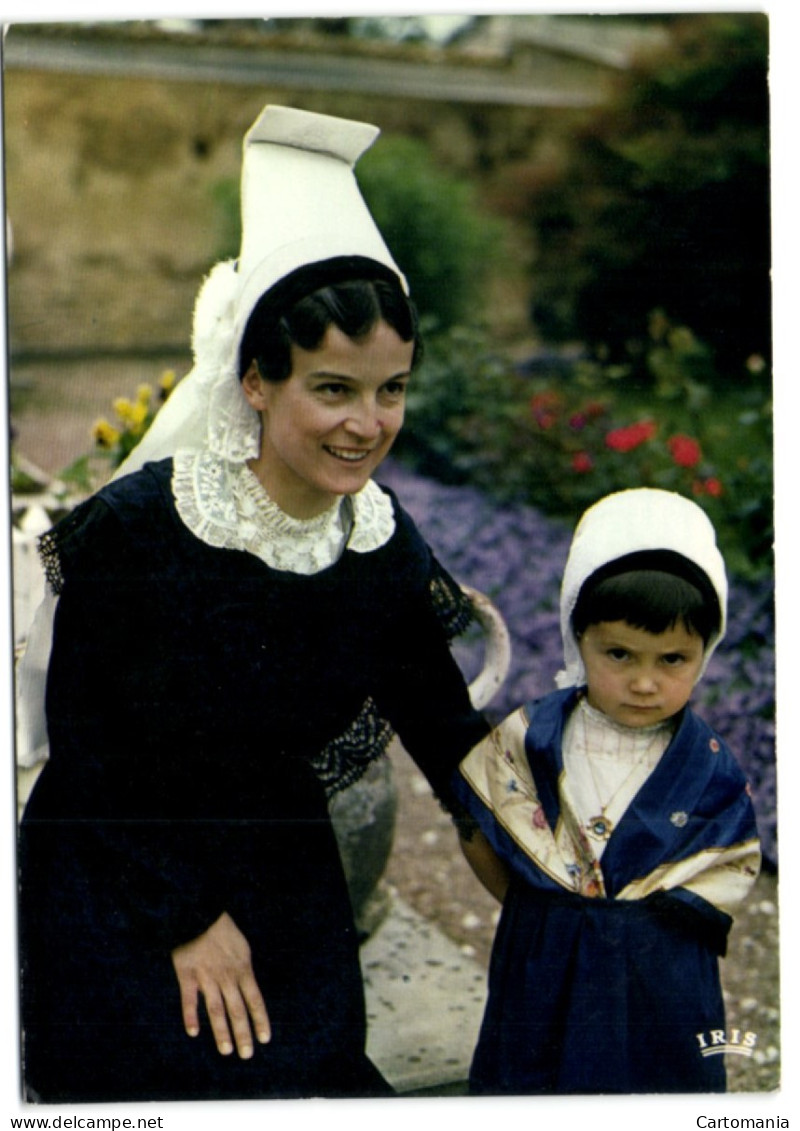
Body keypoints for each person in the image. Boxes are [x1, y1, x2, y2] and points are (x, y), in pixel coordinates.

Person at [16, 104, 490, 1103]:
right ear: (256, 383)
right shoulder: (144, 530)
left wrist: (536, 843)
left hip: (281, 875)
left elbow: (444, 722)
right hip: (119, 864)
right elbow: (89, 742)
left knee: (308, 1078)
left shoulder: (373, 539)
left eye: (391, 390)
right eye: (333, 389)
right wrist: (184, 916)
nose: (367, 426)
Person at [453, 487, 762, 1095]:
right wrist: (539, 907)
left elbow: (726, 870)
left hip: (657, 967)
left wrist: (631, 924)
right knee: (534, 1074)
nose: (644, 682)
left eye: (672, 659)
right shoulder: (535, 737)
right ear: (578, 638)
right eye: (618, 653)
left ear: (704, 655)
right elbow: (479, 825)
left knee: (655, 1077)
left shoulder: (708, 768)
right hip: (547, 950)